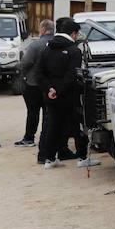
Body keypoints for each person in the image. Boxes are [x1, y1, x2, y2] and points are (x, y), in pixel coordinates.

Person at [37, 17, 99, 169]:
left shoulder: (47, 48)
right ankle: (82, 157)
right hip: (69, 96)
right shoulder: (74, 51)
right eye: (77, 34)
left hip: (50, 96)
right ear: (73, 33)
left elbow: (40, 73)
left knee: (53, 126)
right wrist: (59, 90)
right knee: (77, 126)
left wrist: (50, 89)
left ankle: (50, 159)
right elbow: (72, 75)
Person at [16, 19, 55, 149]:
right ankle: (46, 138)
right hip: (51, 85)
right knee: (48, 113)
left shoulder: (36, 45)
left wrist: (23, 72)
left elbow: (26, 62)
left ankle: (29, 138)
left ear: (43, 29)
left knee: (33, 112)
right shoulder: (56, 44)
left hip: (33, 83)